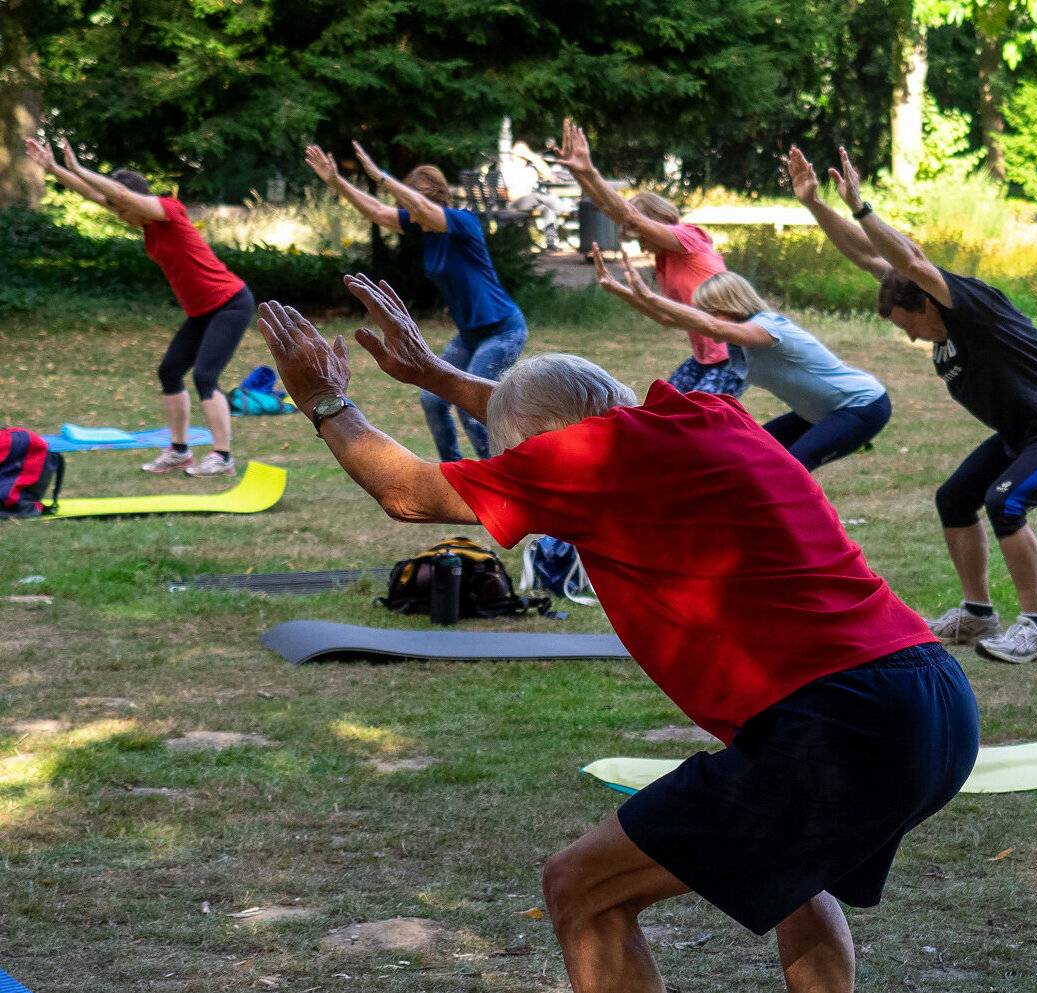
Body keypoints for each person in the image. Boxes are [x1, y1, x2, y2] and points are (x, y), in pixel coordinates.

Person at [252, 273, 979, 993]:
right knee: (795, 870)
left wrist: (322, 398)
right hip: (932, 697)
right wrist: (436, 375)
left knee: (583, 886)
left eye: (520, 455)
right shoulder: (708, 415)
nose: (521, 472)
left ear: (545, 443)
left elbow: (407, 493)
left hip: (837, 722)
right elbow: (562, 422)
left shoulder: (584, 460)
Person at [789, 146, 1037, 666]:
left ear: (926, 304)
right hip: (1025, 432)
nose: (912, 338)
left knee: (1006, 501)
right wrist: (814, 204)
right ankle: (978, 613)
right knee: (955, 498)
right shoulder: (918, 300)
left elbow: (911, 261)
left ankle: (1036, 630)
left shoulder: (968, 306)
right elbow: (870, 258)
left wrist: (861, 206)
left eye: (909, 326)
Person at [24, 136, 249, 477]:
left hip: (230, 303)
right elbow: (97, 196)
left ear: (134, 199)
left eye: (121, 207)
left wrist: (78, 167)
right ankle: (179, 451)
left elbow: (122, 196)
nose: (119, 215)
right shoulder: (144, 223)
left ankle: (223, 456)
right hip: (202, 311)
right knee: (170, 371)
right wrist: (54, 168)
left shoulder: (168, 211)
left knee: (205, 376)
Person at [304, 141, 528, 461]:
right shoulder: (423, 229)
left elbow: (420, 208)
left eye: (410, 206)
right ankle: (453, 470)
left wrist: (380, 177)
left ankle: (501, 472)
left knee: (473, 407)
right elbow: (377, 211)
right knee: (432, 400)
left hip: (503, 331)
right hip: (470, 336)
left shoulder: (462, 223)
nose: (407, 215)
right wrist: (336, 181)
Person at [591, 251, 891, 470]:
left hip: (860, 405)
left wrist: (651, 296)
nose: (705, 319)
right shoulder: (739, 335)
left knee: (792, 467)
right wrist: (621, 291)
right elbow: (671, 319)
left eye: (711, 311)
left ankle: (805, 531)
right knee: (753, 453)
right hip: (821, 411)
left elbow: (713, 327)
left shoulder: (767, 328)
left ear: (731, 306)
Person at [558, 118, 745, 396]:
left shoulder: (690, 238)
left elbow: (630, 217)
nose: (643, 246)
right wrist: (618, 289)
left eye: (642, 238)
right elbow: (667, 317)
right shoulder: (664, 261)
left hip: (733, 354)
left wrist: (589, 172)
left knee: (696, 419)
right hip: (705, 357)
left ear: (655, 222)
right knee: (661, 406)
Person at [501, 140, 571, 250]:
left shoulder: (530, 169)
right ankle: (564, 209)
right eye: (520, 155)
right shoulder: (508, 168)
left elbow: (548, 174)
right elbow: (508, 193)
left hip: (529, 202)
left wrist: (533, 157)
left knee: (547, 208)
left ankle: (551, 242)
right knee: (537, 195)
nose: (522, 158)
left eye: (525, 155)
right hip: (513, 204)